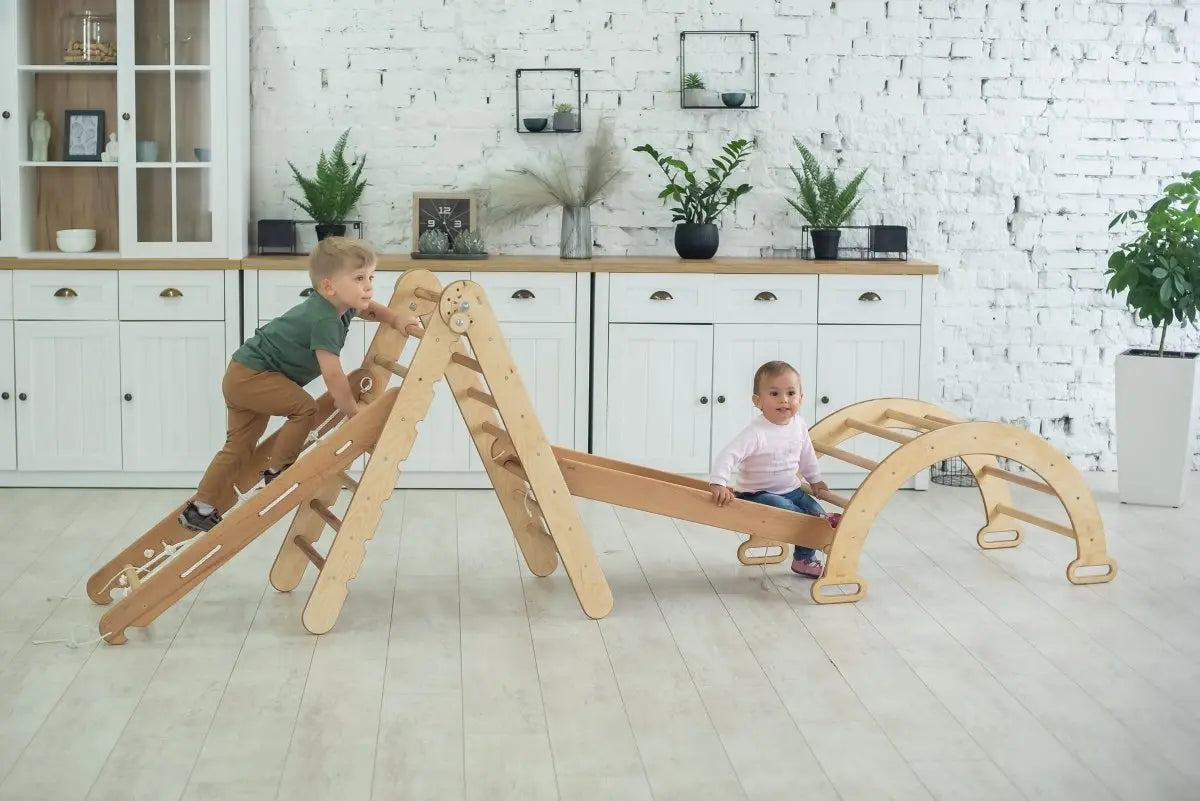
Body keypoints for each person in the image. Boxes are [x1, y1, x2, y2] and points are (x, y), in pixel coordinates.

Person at [178, 237, 414, 532]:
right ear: (329, 286)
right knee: (304, 408)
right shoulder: (324, 320)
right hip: (253, 376)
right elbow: (333, 374)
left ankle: (199, 508)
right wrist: (352, 410)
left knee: (238, 447)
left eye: (371, 277)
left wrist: (394, 318)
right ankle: (278, 471)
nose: (368, 286)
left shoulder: (339, 305)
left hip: (242, 373)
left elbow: (367, 309)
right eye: (358, 278)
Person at [708, 360, 840, 578]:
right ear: (757, 401)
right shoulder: (756, 432)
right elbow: (728, 455)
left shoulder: (799, 425)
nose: (784, 399)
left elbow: (807, 454)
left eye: (791, 393)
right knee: (788, 510)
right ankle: (814, 531)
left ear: (801, 398)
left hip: (791, 489)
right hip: (757, 494)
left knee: (814, 510)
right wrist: (718, 483)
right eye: (774, 393)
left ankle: (804, 558)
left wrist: (815, 479)